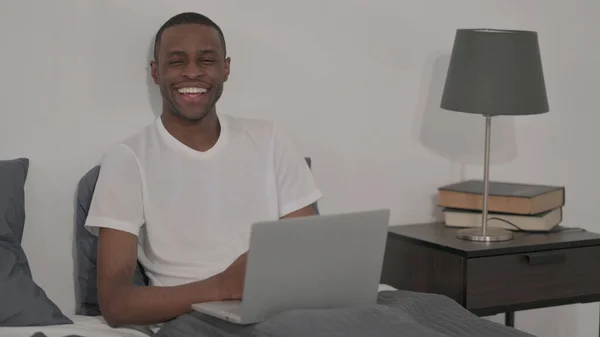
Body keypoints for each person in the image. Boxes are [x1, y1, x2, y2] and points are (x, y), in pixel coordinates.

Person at [84, 11, 323, 328]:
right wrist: (223, 286)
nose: (192, 72)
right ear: (156, 73)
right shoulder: (127, 159)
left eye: (206, 60)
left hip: (284, 314)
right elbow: (116, 304)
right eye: (177, 61)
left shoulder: (271, 140)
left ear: (226, 69)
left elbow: (310, 256)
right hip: (192, 320)